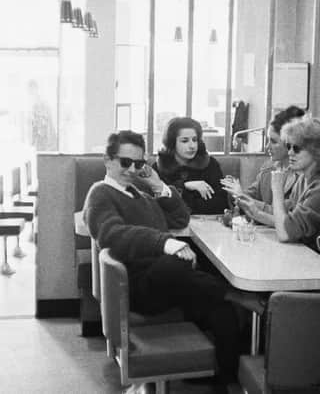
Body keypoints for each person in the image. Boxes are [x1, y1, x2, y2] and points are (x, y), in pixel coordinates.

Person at [82, 130, 263, 392]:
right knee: (177, 263)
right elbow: (112, 234)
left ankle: (226, 379)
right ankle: (236, 294)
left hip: (168, 282)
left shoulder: (138, 192)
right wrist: (165, 243)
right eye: (125, 162)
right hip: (140, 286)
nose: (132, 169)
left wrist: (157, 185)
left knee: (220, 311)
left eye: (139, 163)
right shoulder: (100, 194)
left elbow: (180, 219)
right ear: (107, 160)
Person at [237, 118, 320, 250]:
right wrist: (258, 214)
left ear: (318, 152)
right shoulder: (304, 180)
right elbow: (287, 220)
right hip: (309, 256)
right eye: (289, 147)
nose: (290, 153)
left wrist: (277, 190)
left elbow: (285, 234)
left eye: (297, 148)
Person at [220, 106, 306, 215]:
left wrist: (241, 196)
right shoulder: (268, 168)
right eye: (267, 140)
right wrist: (234, 191)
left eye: (273, 142)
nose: (267, 147)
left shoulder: (303, 177)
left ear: (290, 142)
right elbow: (250, 196)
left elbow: (282, 216)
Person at [153, 117, 229, 214]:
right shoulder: (160, 166)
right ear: (172, 143)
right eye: (185, 141)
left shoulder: (210, 163)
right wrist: (185, 186)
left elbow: (221, 204)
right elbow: (158, 204)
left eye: (195, 140)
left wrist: (183, 198)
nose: (192, 146)